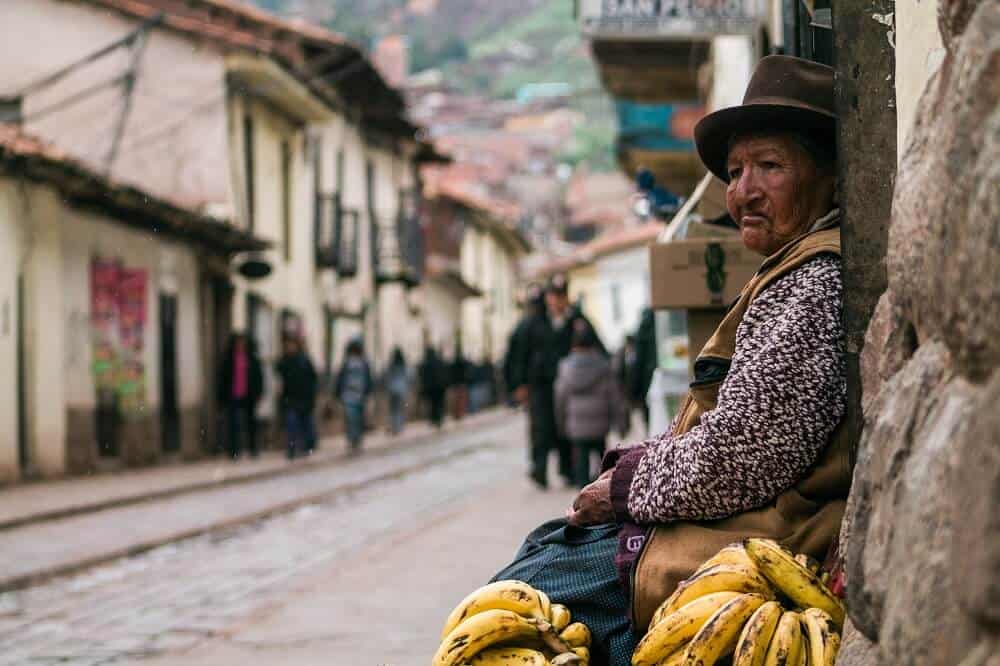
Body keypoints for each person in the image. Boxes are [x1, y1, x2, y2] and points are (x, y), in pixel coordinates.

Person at [490, 56, 852, 665]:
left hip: (753, 543)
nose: (744, 192)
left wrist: (627, 487)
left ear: (827, 174)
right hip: (729, 521)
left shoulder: (814, 284)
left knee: (526, 597)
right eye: (735, 172)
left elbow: (741, 458)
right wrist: (636, 463)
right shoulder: (787, 271)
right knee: (542, 554)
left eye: (770, 166)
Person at [555, 328, 628, 488]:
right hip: (600, 424)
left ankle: (582, 497)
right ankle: (602, 490)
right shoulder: (603, 365)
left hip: (576, 425)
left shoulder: (565, 367)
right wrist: (621, 422)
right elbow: (615, 396)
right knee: (602, 461)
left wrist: (561, 423)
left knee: (580, 463)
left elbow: (560, 398)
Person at [217, 332, 264, 459]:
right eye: (238, 342)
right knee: (233, 424)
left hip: (249, 395)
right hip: (233, 395)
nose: (240, 345)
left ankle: (253, 449)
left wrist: (259, 392)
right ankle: (234, 451)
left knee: (251, 424)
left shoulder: (251, 358)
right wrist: (222, 396)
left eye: (242, 342)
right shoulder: (229, 359)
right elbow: (223, 378)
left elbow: (258, 377)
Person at [275, 335, 318, 459]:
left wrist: (311, 397)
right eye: (288, 345)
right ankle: (292, 449)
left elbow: (312, 379)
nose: (290, 347)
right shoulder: (284, 360)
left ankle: (305, 447)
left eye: (292, 345)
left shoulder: (304, 360)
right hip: (290, 399)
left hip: (304, 399)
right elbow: (278, 374)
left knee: (304, 425)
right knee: (292, 424)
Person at [335, 338, 372, 453]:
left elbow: (368, 380)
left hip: (358, 395)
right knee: (352, 419)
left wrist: (368, 392)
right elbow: (340, 379)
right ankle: (353, 440)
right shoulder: (347, 363)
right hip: (349, 395)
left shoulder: (363, 363)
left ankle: (356, 440)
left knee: (356, 419)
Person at [419, 345, 449, 428]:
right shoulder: (439, 361)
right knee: (439, 403)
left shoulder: (425, 363)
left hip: (431, 388)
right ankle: (439, 419)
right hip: (440, 387)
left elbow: (423, 376)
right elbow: (444, 372)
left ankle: (435, 419)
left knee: (433, 404)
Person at [383, 347, 409, 435]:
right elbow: (409, 376)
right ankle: (398, 427)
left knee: (392, 409)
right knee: (399, 409)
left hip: (391, 389)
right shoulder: (403, 365)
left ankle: (393, 426)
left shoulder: (391, 365)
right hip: (401, 389)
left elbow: (385, 375)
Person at [449, 347, 470, 421]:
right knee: (461, 400)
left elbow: (450, 374)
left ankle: (457, 415)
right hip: (461, 383)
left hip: (456, 384)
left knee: (456, 400)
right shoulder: (463, 362)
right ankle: (460, 414)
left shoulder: (453, 363)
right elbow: (466, 373)